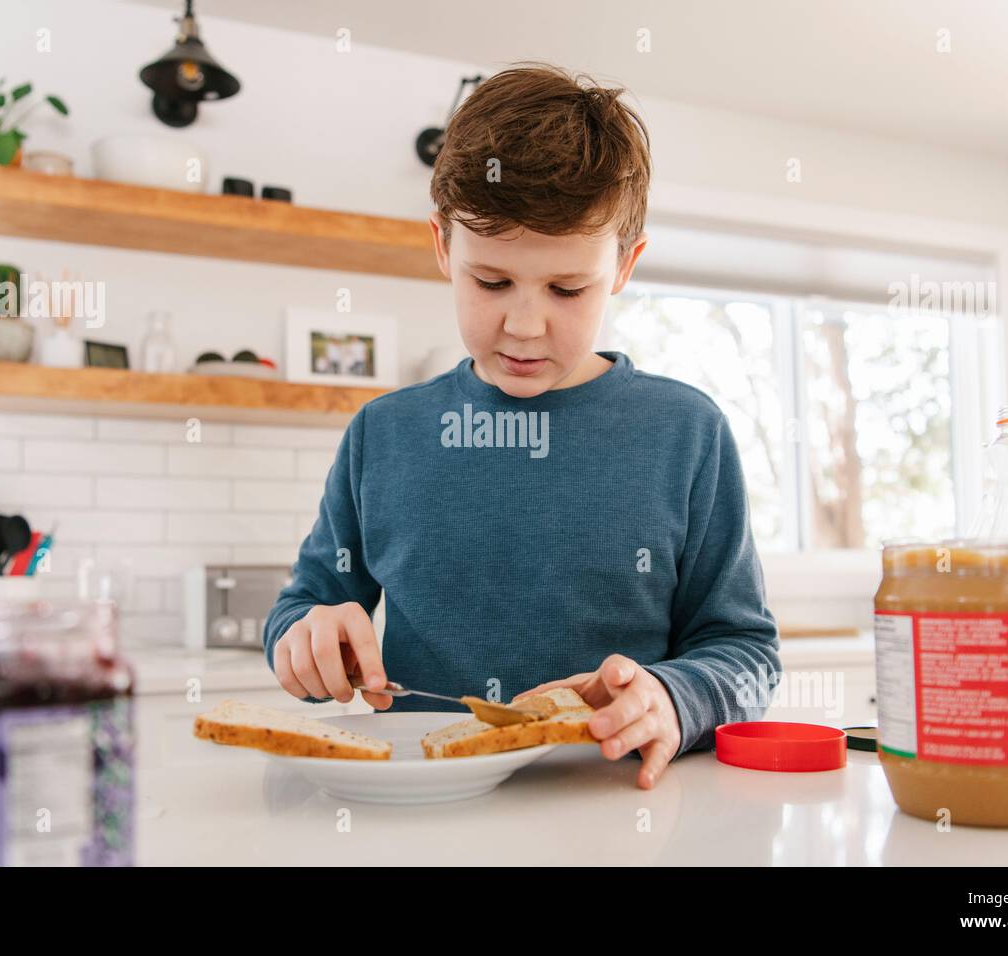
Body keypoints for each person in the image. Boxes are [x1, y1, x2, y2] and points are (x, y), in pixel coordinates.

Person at [264, 62, 780, 789]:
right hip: (425, 813)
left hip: (616, 809)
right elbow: (306, 604)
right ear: (445, 248)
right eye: (492, 281)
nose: (526, 325)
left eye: (568, 288)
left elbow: (744, 652)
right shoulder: (383, 436)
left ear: (625, 267)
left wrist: (674, 697)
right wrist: (304, 638)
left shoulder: (685, 433)